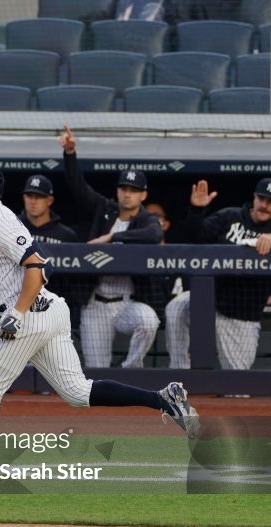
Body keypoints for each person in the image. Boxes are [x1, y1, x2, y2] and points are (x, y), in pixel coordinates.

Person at [0, 161, 199, 506]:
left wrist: (17, 314)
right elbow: (9, 269)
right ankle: (163, 399)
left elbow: (37, 266)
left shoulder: (0, 222)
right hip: (50, 313)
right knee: (77, 392)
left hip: (30, 316)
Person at [164, 178, 271, 370]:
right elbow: (195, 236)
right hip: (208, 299)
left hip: (241, 316)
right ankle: (181, 372)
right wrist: (196, 211)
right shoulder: (229, 216)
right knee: (176, 308)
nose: (265, 205)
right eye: (262, 198)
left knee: (237, 388)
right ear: (254, 197)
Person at [60, 124, 163, 368]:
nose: (128, 194)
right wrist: (70, 154)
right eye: (124, 189)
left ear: (143, 195)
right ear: (117, 191)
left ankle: (130, 369)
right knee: (96, 372)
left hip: (126, 301)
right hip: (96, 303)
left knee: (149, 321)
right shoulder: (105, 209)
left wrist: (112, 238)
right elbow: (79, 188)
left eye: (134, 190)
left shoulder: (145, 219)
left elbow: (155, 233)